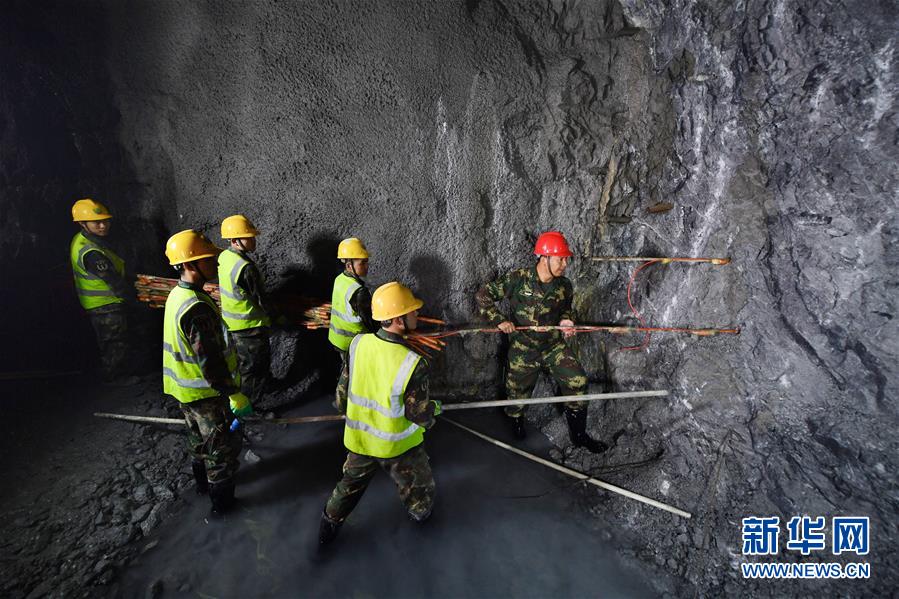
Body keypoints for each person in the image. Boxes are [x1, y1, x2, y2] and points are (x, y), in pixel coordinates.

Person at [319, 282, 442, 545]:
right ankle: (424, 533)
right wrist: (434, 410)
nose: (417, 315)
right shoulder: (412, 362)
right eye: (412, 312)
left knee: (346, 489)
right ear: (398, 319)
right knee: (420, 490)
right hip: (397, 447)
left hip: (359, 442)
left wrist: (347, 412)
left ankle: (326, 533)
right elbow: (419, 415)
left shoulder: (358, 344)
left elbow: (342, 395)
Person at [475, 231, 607, 453]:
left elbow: (566, 308)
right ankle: (516, 423)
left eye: (566, 259)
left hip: (553, 347)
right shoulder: (518, 279)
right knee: (516, 393)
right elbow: (483, 295)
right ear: (544, 258)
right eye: (561, 259)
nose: (565, 264)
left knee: (577, 381)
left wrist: (567, 320)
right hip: (524, 347)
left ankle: (579, 435)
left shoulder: (564, 285)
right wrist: (499, 320)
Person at [162, 229, 252, 515]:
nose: (214, 263)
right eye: (207, 259)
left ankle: (201, 489)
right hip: (205, 393)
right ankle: (223, 511)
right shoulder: (196, 308)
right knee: (220, 454)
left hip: (183, 390)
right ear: (189, 265)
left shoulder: (178, 294)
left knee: (198, 442)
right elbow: (210, 362)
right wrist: (234, 394)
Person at [69, 198, 138, 386]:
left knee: (115, 338)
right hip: (104, 303)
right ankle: (117, 377)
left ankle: (119, 371)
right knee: (114, 340)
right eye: (97, 222)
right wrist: (136, 298)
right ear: (83, 224)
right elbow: (113, 281)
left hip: (103, 301)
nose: (103, 225)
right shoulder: (90, 251)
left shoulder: (86, 239)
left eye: (105, 220)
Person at [218, 215, 272, 406]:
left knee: (243, 367)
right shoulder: (245, 268)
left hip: (233, 326)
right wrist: (277, 317)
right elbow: (261, 300)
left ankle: (250, 396)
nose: (253, 240)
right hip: (250, 327)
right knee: (254, 369)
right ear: (235, 240)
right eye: (249, 236)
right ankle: (251, 407)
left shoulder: (224, 257)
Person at [327, 237, 377, 362]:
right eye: (362, 263)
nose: (367, 266)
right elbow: (370, 323)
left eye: (367, 262)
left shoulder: (339, 279)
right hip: (352, 343)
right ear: (349, 265)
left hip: (336, 339)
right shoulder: (358, 292)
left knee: (346, 371)